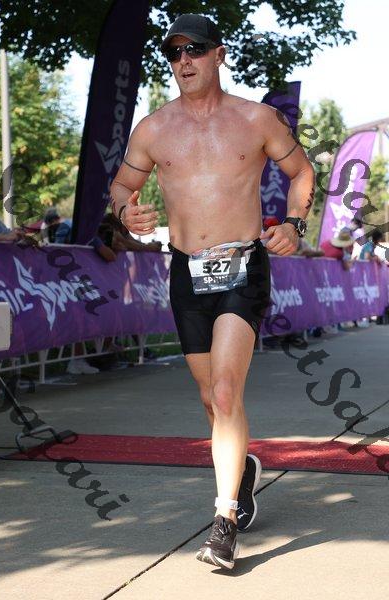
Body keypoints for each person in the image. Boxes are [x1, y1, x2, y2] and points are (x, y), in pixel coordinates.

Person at [110, 13, 315, 570]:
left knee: (226, 393)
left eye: (194, 49)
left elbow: (302, 173)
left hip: (243, 267)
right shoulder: (153, 129)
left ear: (218, 55)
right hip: (186, 272)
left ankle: (223, 524)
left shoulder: (257, 118)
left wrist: (294, 224)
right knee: (210, 399)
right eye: (173, 53)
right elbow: (122, 187)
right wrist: (127, 213)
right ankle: (241, 469)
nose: (184, 61)